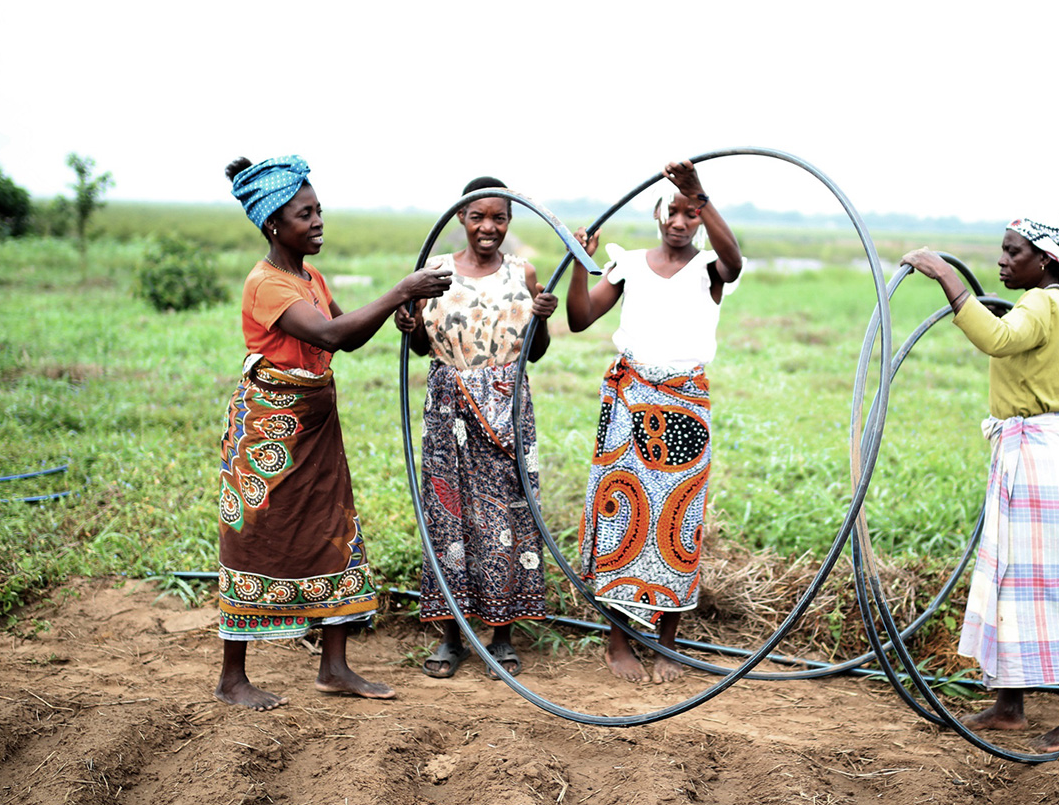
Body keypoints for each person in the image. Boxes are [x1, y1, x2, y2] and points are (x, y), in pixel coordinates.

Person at [215, 155, 452, 710]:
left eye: (319, 210)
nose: (319, 221)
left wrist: (400, 311)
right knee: (256, 536)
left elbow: (347, 333)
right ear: (274, 224)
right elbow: (330, 335)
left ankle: (335, 667)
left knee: (332, 527)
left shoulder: (310, 278)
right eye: (305, 214)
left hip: (317, 424)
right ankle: (232, 677)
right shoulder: (266, 284)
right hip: (271, 433)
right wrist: (398, 290)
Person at [901, 214, 1059, 753]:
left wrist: (944, 274)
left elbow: (996, 338)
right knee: (1013, 576)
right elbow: (1015, 341)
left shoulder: (1040, 303)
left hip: (1037, 459)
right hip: (1035, 452)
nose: (1003, 260)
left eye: (1015, 252)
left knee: (1047, 584)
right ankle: (1010, 706)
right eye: (1004, 250)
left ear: (1047, 261)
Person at [566, 160, 742, 683]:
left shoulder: (710, 269)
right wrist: (579, 263)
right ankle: (618, 641)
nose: (680, 222)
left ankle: (667, 642)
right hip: (629, 399)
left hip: (684, 404)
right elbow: (579, 317)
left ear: (701, 216)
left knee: (677, 520)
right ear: (656, 214)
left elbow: (733, 262)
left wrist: (700, 194)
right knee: (620, 515)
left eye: (691, 214)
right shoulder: (629, 265)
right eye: (673, 211)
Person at [393, 178, 559, 679]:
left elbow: (535, 352)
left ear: (509, 221)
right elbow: (421, 346)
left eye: (499, 218)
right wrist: (410, 324)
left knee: (507, 515)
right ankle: (451, 637)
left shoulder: (522, 272)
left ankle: (501, 636)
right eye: (478, 217)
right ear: (461, 218)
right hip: (449, 411)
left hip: (507, 411)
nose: (489, 227)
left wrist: (542, 318)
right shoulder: (435, 272)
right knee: (450, 517)